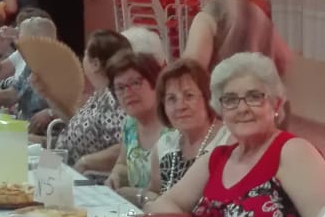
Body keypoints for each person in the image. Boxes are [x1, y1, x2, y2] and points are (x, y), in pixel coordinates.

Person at [148, 52, 325, 217]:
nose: (242, 108)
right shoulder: (218, 158)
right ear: (220, 110)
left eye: (254, 97)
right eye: (230, 100)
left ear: (276, 104)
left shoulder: (293, 152)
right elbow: (163, 203)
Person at [38, 29, 131, 176]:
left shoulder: (114, 99)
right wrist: (48, 95)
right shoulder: (99, 93)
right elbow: (75, 122)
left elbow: (124, 146)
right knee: (21, 163)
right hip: (60, 161)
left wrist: (86, 161)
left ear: (95, 64)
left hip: (82, 175)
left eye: (85, 54)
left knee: (24, 173)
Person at [143, 58, 228, 195]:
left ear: (208, 98)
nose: (180, 106)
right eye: (171, 99)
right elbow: (154, 193)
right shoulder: (164, 145)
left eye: (189, 96)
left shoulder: (227, 142)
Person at [107, 52, 167, 190]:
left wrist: (133, 195)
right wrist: (115, 176)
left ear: (155, 83)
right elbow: (122, 164)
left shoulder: (174, 127)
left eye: (135, 83)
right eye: (120, 88)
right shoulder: (130, 124)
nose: (128, 93)